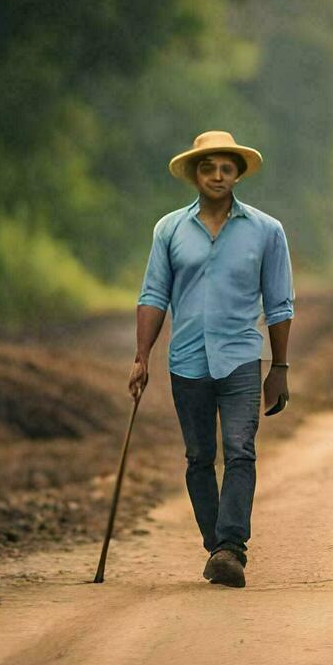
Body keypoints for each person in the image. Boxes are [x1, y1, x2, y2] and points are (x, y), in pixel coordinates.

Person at [128, 130, 294, 588]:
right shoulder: (170, 230)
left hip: (242, 356)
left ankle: (231, 547)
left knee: (241, 451)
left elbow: (279, 304)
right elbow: (153, 295)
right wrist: (141, 357)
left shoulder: (266, 231)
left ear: (237, 174)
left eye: (225, 167)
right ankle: (216, 545)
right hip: (186, 359)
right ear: (195, 175)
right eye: (208, 167)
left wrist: (279, 368)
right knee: (199, 457)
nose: (217, 175)